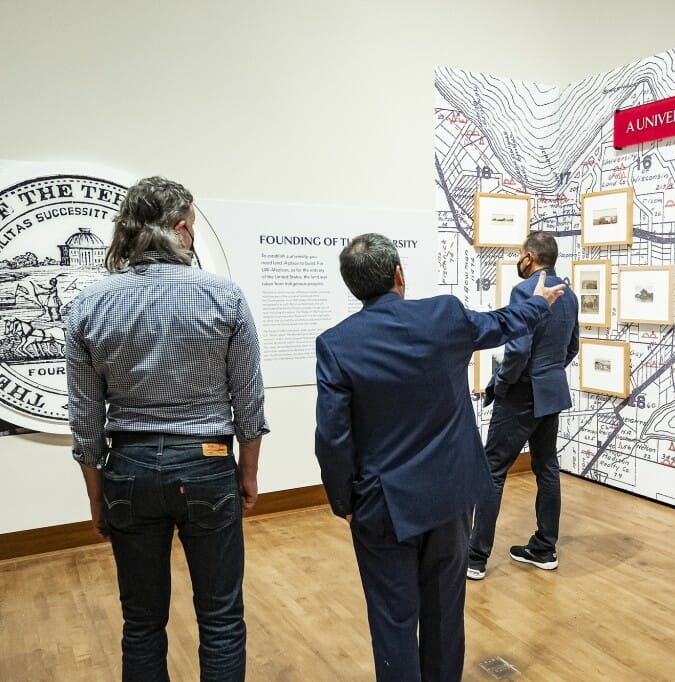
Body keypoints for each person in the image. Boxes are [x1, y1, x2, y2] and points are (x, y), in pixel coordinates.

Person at [314, 233, 565, 681]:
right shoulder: (443, 315)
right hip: (450, 498)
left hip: (383, 506)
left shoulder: (336, 344)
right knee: (446, 613)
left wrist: (344, 504)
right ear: (398, 276)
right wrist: (539, 302)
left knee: (393, 620)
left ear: (353, 287)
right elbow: (501, 323)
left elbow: (332, 439)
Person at [66, 176, 268, 681]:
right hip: (207, 465)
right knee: (221, 620)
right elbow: (249, 400)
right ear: (180, 228)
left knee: (141, 623)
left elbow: (86, 421)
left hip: (128, 471)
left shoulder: (89, 305)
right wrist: (248, 473)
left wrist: (97, 497)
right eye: (193, 227)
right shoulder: (225, 297)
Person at [467, 231, 579, 580]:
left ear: (530, 257)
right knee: (546, 468)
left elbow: (516, 351)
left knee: (493, 471)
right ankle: (544, 548)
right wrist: (548, 373)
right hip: (551, 392)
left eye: (520, 254)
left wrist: (501, 384)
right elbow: (571, 347)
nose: (519, 259)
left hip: (521, 393)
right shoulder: (570, 295)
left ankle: (474, 558)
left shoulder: (525, 291)